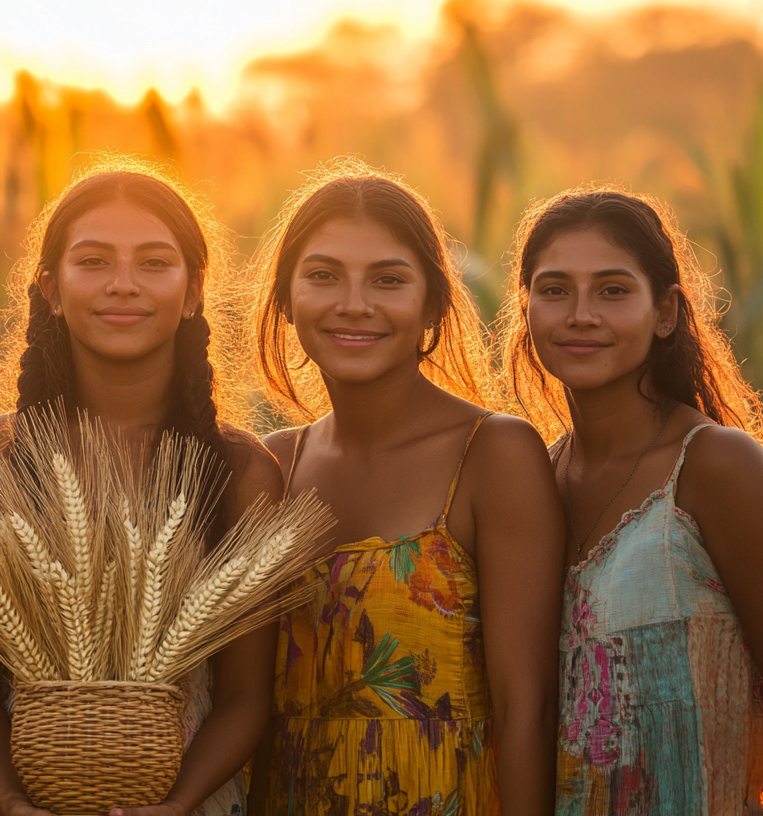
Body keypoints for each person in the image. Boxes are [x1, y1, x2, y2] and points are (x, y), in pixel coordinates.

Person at [497, 185, 763, 813]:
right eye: (554, 290)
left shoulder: (715, 468)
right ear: (525, 305)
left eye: (613, 290)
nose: (581, 314)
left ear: (665, 312)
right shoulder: (533, 480)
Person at [0, 158, 283, 816]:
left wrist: (175, 805)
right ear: (49, 287)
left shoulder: (243, 472)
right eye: (93, 262)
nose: (122, 285)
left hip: (188, 801)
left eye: (154, 264)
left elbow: (246, 696)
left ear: (193, 292)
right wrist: (11, 799)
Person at [249, 159, 565, 815]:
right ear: (285, 298)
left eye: (388, 280)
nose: (354, 303)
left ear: (432, 304)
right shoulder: (271, 468)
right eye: (323, 275)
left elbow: (525, 707)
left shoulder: (493, 455)